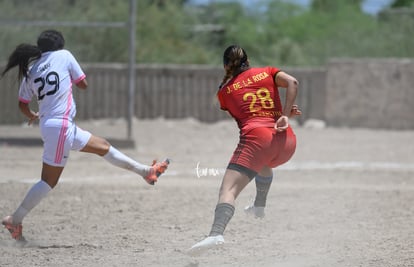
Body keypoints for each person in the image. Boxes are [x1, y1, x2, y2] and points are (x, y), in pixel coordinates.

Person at [1, 29, 170, 242]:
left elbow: (22, 104)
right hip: (61, 126)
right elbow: (83, 83)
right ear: (59, 46)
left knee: (103, 146)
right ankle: (15, 220)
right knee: (48, 181)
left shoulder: (32, 68)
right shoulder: (64, 55)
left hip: (54, 125)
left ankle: (146, 172)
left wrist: (33, 115)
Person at [188, 45, 301, 255]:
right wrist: (285, 113)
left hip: (259, 140)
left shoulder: (224, 92)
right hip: (286, 141)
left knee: (228, 190)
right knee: (264, 162)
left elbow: (248, 112)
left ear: (225, 65)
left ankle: (215, 234)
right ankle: (259, 205)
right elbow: (292, 82)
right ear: (247, 60)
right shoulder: (267, 72)